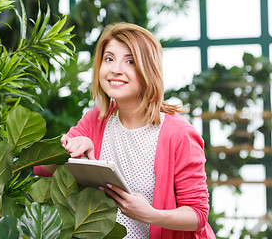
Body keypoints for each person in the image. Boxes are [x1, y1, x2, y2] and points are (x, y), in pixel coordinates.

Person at [34, 22, 216, 239]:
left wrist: (150, 214)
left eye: (130, 61)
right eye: (109, 58)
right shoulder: (97, 118)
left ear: (148, 69)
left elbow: (197, 214)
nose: (116, 69)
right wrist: (69, 148)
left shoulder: (178, 134)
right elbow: (42, 168)